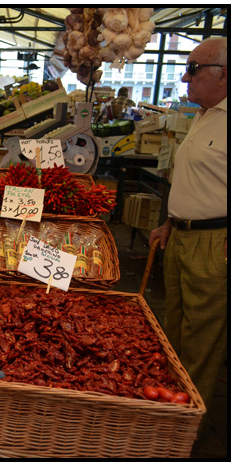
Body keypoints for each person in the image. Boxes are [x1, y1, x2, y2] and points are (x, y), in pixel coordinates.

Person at [148, 37, 227, 414]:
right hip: (181, 235)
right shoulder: (204, 115)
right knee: (175, 324)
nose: (184, 78)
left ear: (224, 75)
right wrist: (169, 221)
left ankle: (188, 420)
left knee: (202, 336)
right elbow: (197, 181)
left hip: (214, 241)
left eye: (193, 69)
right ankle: (168, 404)